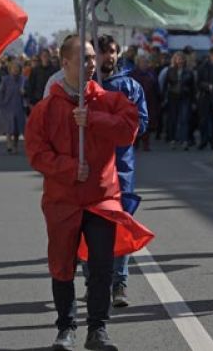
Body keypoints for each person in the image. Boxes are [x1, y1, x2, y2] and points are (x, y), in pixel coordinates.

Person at [25, 35, 154, 351]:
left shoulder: (108, 99)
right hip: (62, 201)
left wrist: (93, 119)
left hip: (101, 198)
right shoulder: (46, 108)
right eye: (84, 58)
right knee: (62, 264)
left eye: (93, 58)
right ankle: (65, 327)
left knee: (101, 265)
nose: (91, 63)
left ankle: (97, 328)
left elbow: (130, 130)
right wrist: (69, 168)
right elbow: (36, 153)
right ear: (65, 63)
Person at [89, 35, 148, 308]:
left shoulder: (130, 86)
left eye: (111, 52)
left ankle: (119, 282)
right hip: (91, 168)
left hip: (121, 167)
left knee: (119, 225)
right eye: (102, 52)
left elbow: (141, 124)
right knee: (89, 226)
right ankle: (93, 282)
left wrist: (111, 123)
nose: (107, 57)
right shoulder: (83, 85)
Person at [164, 51, 195, 150]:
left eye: (182, 58)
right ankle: (172, 139)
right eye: (178, 59)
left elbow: (193, 87)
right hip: (173, 97)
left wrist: (194, 101)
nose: (180, 61)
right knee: (173, 119)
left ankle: (184, 140)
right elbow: (166, 85)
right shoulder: (170, 70)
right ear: (175, 60)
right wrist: (164, 98)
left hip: (185, 97)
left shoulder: (189, 71)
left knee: (184, 119)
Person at [130, 55, 161, 152]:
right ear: (138, 63)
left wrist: (159, 99)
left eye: (146, 62)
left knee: (146, 123)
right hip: (136, 102)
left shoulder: (151, 73)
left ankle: (146, 144)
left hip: (149, 102)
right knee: (136, 122)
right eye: (143, 62)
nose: (145, 64)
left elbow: (156, 87)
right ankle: (135, 143)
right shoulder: (133, 74)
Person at [196, 48, 213, 150]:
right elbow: (198, 82)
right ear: (210, 55)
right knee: (204, 120)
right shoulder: (203, 67)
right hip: (205, 97)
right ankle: (203, 140)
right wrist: (208, 86)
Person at [0, 61, 27, 153]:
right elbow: (1, 92)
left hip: (18, 105)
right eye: (14, 68)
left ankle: (15, 145)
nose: (15, 70)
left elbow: (28, 91)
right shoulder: (5, 79)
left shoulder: (23, 79)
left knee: (17, 127)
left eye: (17, 68)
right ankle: (9, 143)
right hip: (7, 105)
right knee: (9, 126)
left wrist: (24, 93)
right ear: (10, 70)